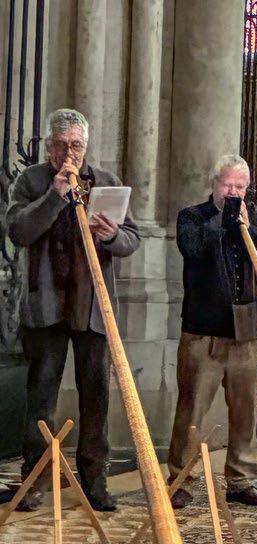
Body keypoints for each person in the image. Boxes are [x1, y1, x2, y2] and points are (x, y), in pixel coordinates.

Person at [4, 108, 140, 512]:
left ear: (87, 146)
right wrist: (55, 196)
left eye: (77, 145)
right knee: (41, 398)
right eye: (62, 144)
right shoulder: (31, 181)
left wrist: (113, 236)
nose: (69, 153)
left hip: (92, 307)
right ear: (49, 146)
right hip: (46, 307)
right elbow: (19, 231)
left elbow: (132, 239)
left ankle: (95, 481)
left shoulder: (107, 182)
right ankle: (35, 480)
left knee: (96, 396)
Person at [167, 154, 257, 509]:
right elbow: (191, 247)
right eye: (227, 185)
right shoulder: (193, 217)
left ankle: (241, 479)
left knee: (246, 410)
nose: (233, 193)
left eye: (240, 187)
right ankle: (181, 478)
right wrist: (223, 221)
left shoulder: (256, 219)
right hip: (204, 333)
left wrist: (250, 229)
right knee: (192, 408)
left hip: (248, 335)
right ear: (214, 184)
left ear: (248, 189)